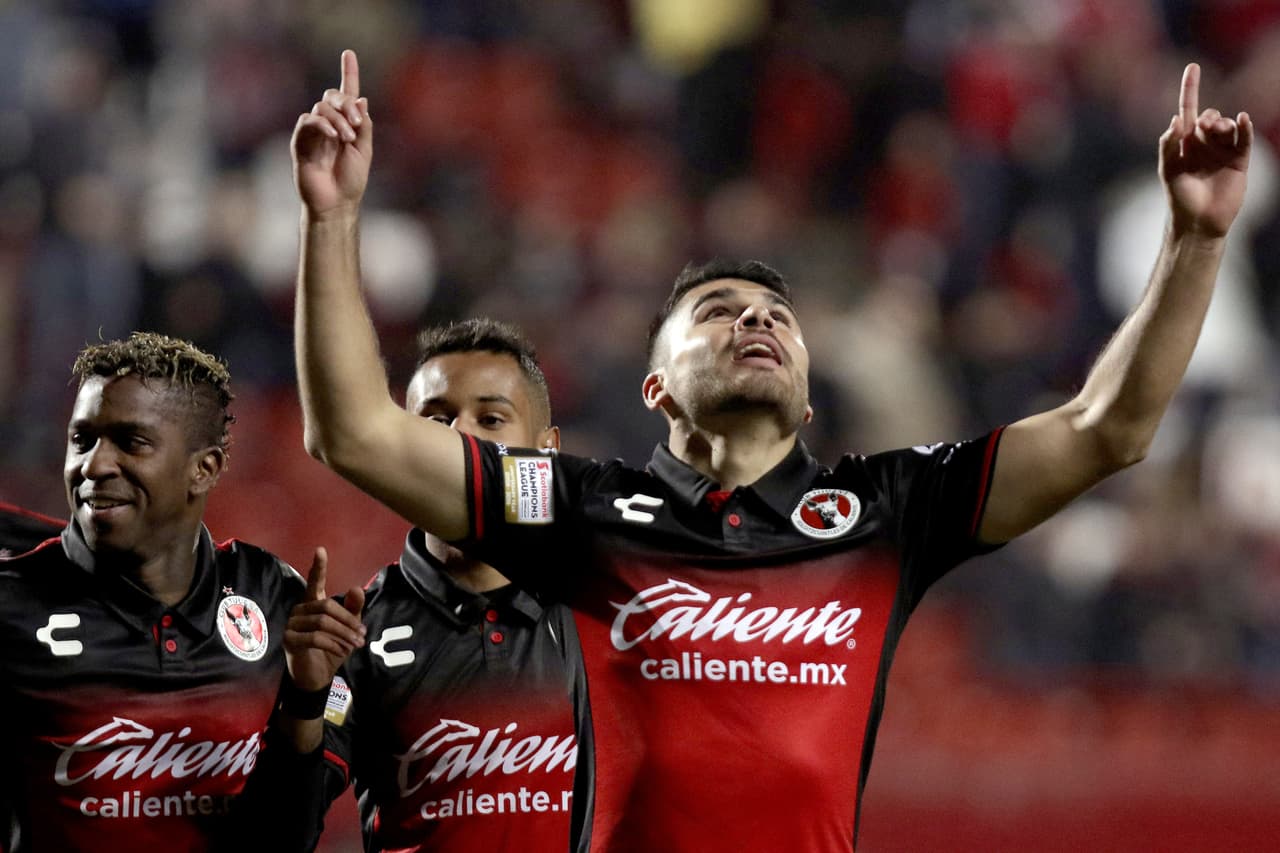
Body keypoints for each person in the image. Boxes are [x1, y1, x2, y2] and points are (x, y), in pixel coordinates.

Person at [290, 51, 1251, 851]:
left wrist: (1196, 239)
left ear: (806, 392)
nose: (756, 321)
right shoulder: (577, 510)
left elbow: (1107, 428)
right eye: (717, 311)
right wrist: (332, 220)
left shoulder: (887, 510)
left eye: (777, 318)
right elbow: (354, 431)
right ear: (657, 387)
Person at [261, 318, 582, 853]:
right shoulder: (354, 633)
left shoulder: (611, 614)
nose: (459, 437)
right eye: (436, 420)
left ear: (545, 449)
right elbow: (277, 837)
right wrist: (304, 699)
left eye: (491, 418)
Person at [0, 332, 318, 852]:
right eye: (82, 439)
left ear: (204, 469)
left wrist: (306, 702)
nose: (94, 465)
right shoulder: (12, 606)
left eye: (131, 442)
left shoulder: (272, 597)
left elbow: (289, 838)